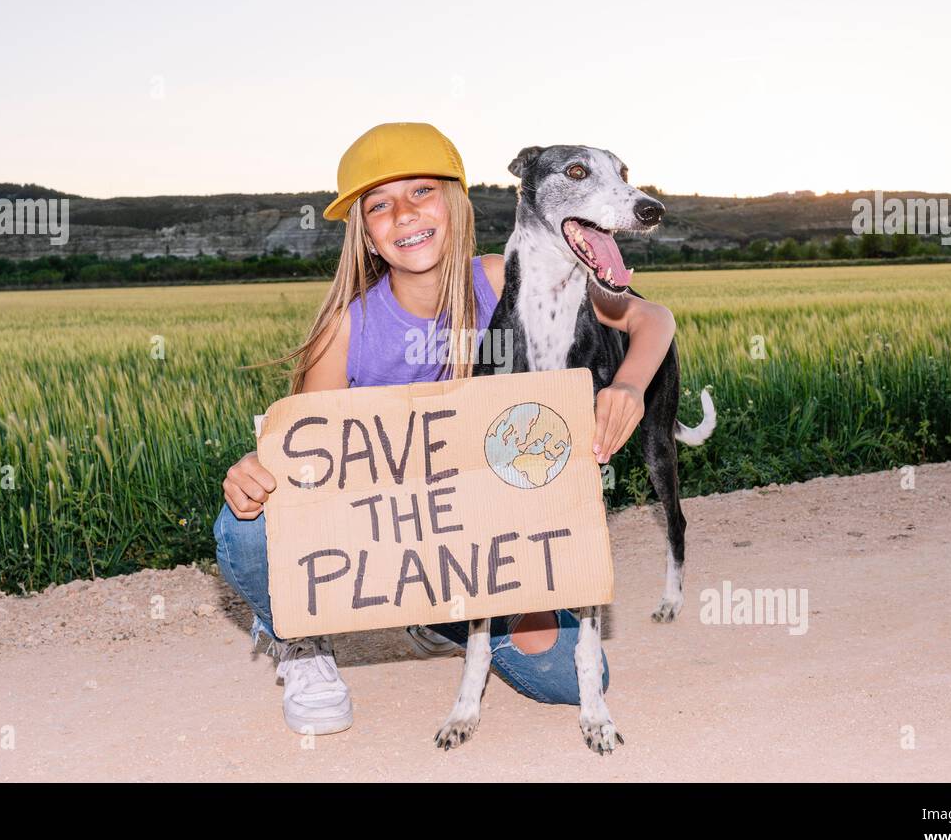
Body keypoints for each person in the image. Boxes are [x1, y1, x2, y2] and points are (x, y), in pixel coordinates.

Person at [214, 121, 679, 734]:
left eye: (422, 192)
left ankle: (442, 616)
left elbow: (652, 317)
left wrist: (626, 385)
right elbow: (308, 467)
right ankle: (303, 643)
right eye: (379, 205)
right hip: (386, 531)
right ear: (367, 235)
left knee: (570, 678)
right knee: (250, 523)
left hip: (481, 538)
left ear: (456, 205)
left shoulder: (503, 278)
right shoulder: (345, 330)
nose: (404, 214)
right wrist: (262, 470)